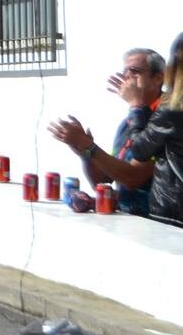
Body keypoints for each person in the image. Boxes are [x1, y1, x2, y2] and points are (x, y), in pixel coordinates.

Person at [47, 47, 164, 217]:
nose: (127, 78)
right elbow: (105, 181)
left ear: (158, 77)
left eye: (135, 71)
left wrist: (88, 145)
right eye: (125, 72)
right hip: (131, 221)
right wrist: (85, 153)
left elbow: (133, 178)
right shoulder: (129, 121)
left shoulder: (166, 118)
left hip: (161, 225)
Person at [127, 33, 183, 225]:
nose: (128, 78)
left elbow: (139, 150)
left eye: (134, 71)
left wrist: (135, 107)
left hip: (173, 213)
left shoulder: (172, 109)